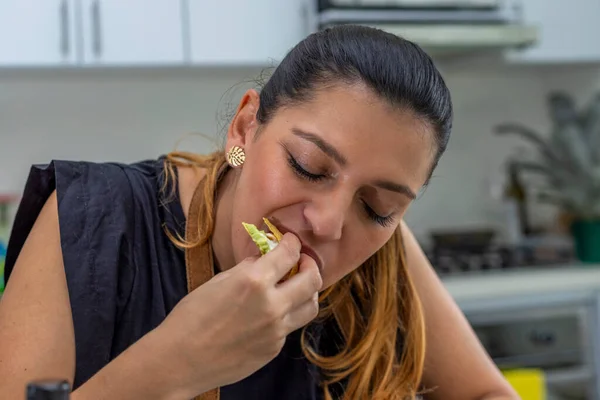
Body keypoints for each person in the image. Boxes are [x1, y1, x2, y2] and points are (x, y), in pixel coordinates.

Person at [0, 25, 518, 400]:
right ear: (245, 129)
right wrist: (177, 364)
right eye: (308, 166)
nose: (330, 223)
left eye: (377, 208)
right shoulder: (93, 215)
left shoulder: (387, 254)